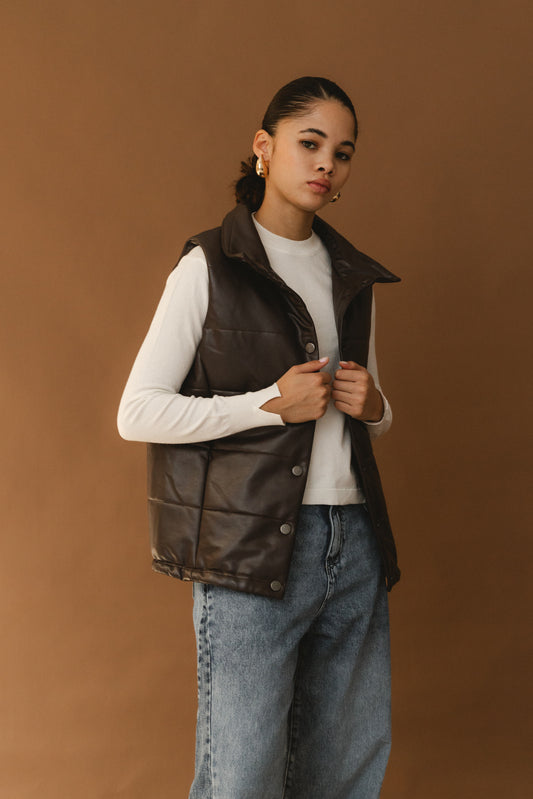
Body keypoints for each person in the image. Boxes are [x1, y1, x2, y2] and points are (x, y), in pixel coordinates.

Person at [117, 76, 401, 799]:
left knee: (344, 773)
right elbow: (138, 412)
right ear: (263, 148)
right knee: (240, 778)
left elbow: (370, 410)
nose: (326, 164)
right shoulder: (208, 265)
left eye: (342, 153)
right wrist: (266, 406)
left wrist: (374, 407)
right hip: (251, 550)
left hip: (353, 541)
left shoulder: (351, 274)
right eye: (310, 143)